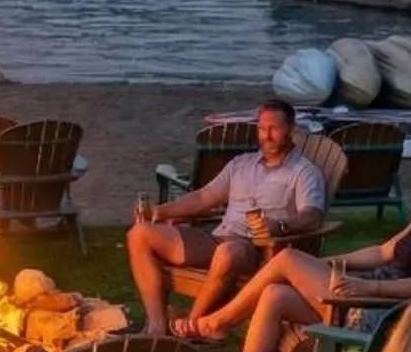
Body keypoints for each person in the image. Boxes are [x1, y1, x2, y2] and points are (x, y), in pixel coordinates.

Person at [194, 147, 411, 352]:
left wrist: (368, 288)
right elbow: (382, 252)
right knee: (274, 294)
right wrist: (329, 263)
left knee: (287, 259)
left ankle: (221, 320)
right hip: (358, 298)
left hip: (379, 312)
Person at [127, 99, 326, 339]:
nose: (267, 136)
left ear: (291, 129)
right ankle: (157, 327)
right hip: (217, 239)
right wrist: (159, 212)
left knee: (228, 252)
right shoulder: (241, 164)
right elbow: (204, 197)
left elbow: (312, 216)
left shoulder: (304, 172)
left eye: (275, 129)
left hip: (256, 249)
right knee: (139, 234)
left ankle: (192, 325)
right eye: (262, 129)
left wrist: (280, 226)